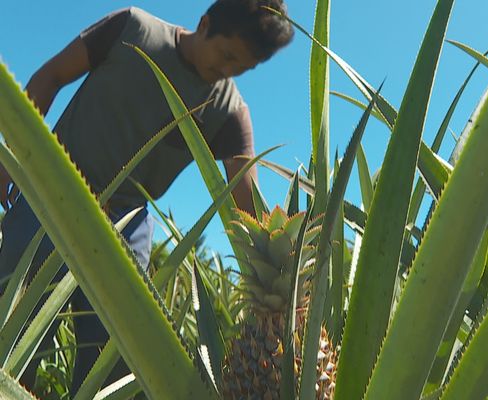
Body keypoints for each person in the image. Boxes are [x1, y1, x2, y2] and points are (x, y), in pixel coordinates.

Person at [0, 0, 294, 392]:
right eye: (227, 55)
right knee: (13, 329)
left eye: (244, 67)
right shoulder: (132, 29)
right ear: (204, 23)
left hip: (126, 223)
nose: (229, 71)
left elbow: (246, 203)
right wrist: (10, 154)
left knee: (112, 360)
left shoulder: (229, 111)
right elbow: (52, 74)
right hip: (49, 194)